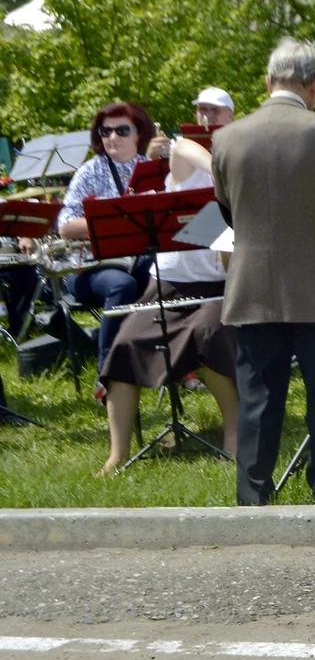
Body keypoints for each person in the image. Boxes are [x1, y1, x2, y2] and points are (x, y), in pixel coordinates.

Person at [211, 37, 315, 505]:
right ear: (314, 84)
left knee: (257, 398)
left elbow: (227, 213)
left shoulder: (226, 138)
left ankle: (253, 497)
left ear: (268, 81)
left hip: (252, 285)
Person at [98, 136, 239, 475]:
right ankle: (118, 453)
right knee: (125, 343)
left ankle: (235, 435)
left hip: (218, 290)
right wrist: (220, 175)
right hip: (165, 287)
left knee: (210, 334)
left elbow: (232, 269)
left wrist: (228, 227)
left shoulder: (247, 197)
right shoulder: (192, 176)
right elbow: (181, 147)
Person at [56, 102, 172, 392]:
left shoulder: (152, 171)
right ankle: (108, 375)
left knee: (170, 274)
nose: (112, 137)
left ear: (139, 134)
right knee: (121, 285)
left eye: (122, 130)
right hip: (89, 268)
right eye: (105, 131)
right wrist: (113, 220)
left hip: (138, 261)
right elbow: (65, 226)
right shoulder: (88, 171)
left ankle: (173, 363)